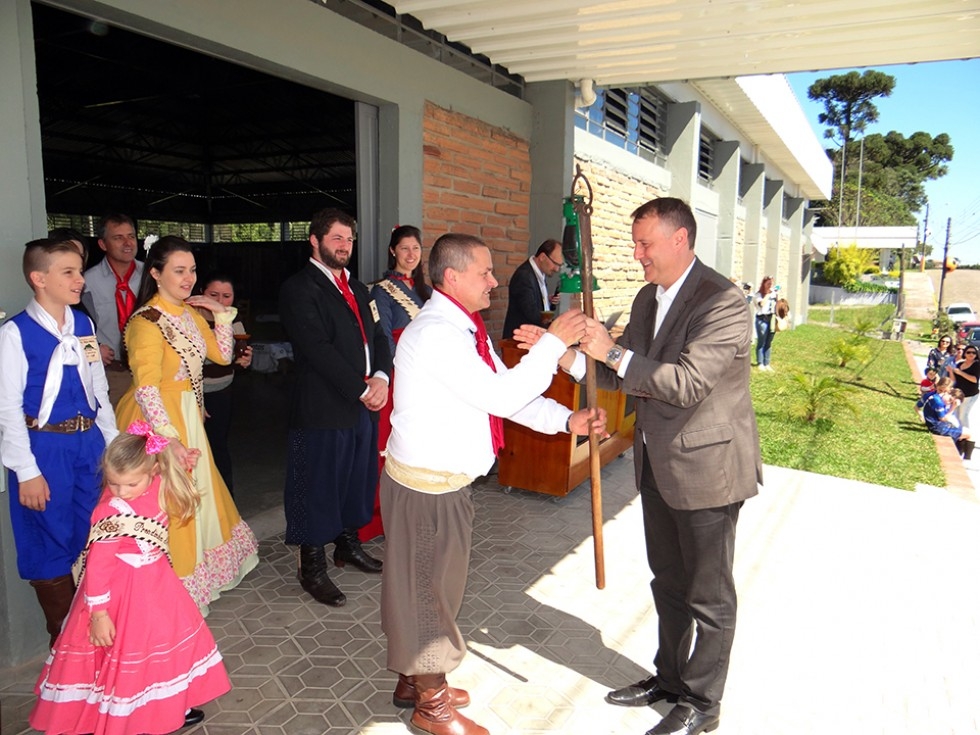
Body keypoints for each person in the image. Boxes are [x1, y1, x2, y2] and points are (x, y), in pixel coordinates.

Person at [381, 232, 607, 735]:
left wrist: (565, 421)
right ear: (452, 278)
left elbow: (505, 392)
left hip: (443, 486)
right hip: (425, 490)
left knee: (429, 588)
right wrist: (552, 346)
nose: (494, 280)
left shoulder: (465, 329)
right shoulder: (437, 334)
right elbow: (502, 395)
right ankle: (430, 705)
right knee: (426, 594)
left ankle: (413, 679)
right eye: (484, 271)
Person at [572, 197, 761, 735]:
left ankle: (703, 704)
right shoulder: (647, 297)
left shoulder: (722, 300)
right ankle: (671, 679)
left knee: (709, 594)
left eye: (645, 243)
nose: (637, 255)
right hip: (657, 464)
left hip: (708, 469)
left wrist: (611, 352)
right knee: (669, 582)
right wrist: (564, 355)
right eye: (636, 243)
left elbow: (685, 383)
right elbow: (622, 373)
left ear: (681, 239)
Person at [30, 424, 231, 735]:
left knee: (165, 644)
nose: (120, 491)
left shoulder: (159, 483)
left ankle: (171, 701)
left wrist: (182, 460)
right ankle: (124, 712)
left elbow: (172, 478)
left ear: (153, 470)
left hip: (158, 585)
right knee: (130, 652)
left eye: (129, 484)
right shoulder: (111, 511)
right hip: (122, 594)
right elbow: (97, 567)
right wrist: (98, 615)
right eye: (113, 483)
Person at [114, 236, 258, 612]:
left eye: (192, 270)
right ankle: (166, 594)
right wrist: (169, 441)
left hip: (188, 415)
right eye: (179, 271)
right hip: (157, 421)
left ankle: (196, 581)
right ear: (156, 274)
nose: (188, 278)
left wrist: (220, 312)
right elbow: (146, 388)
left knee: (195, 500)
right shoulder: (146, 321)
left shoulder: (191, 314)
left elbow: (222, 355)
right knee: (170, 504)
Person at [0, 238, 118, 649]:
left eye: (79, 271)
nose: (79, 280)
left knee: (97, 533)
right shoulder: (15, 333)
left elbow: (97, 388)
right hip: (45, 450)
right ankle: (67, 647)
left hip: (89, 443)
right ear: (39, 278)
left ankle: (100, 633)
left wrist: (112, 444)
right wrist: (26, 471)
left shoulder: (82, 325)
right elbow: (7, 408)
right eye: (68, 272)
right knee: (48, 538)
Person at [279, 207, 393, 608]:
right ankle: (311, 566)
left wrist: (381, 376)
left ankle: (347, 545)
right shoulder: (299, 288)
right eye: (336, 238)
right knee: (315, 485)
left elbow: (380, 337)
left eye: (349, 239)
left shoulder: (360, 289)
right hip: (322, 406)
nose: (345, 246)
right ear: (315, 240)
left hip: (362, 405)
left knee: (355, 480)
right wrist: (361, 389)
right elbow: (317, 349)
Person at [363, 225, 431, 541]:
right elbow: (384, 338)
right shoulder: (381, 290)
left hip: (426, 380)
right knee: (390, 448)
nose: (410, 255)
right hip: (400, 378)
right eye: (404, 248)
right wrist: (393, 376)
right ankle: (381, 517)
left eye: (415, 249)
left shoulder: (426, 290)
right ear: (393, 251)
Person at [198, 273, 253, 495]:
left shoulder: (234, 320)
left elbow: (236, 359)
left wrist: (244, 361)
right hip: (191, 393)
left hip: (221, 390)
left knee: (218, 446)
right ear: (201, 292)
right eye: (213, 295)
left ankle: (225, 500)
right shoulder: (190, 319)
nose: (219, 301)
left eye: (226, 296)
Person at [81, 214, 144, 404]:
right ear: (102, 244)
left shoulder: (153, 275)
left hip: (149, 369)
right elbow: (76, 326)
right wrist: (93, 351)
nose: (127, 243)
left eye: (131, 236)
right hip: (113, 373)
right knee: (117, 431)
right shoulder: (86, 282)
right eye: (118, 238)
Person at [501, 238, 563, 340]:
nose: (557, 269)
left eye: (559, 265)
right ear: (542, 257)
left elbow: (535, 306)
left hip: (530, 339)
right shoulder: (524, 276)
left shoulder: (538, 274)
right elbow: (531, 313)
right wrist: (556, 324)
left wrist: (548, 302)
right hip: (519, 343)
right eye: (555, 263)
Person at [949, 344, 979, 458]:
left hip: (970, 395)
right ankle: (960, 443)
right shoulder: (960, 364)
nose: (971, 354)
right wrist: (951, 371)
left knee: (963, 416)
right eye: (968, 352)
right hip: (959, 395)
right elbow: (954, 380)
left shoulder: (976, 365)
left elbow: (974, 379)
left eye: (973, 353)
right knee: (957, 417)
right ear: (965, 353)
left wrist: (960, 372)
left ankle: (968, 442)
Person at [753, 275, 777, 370]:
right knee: (761, 341)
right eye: (768, 284)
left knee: (768, 342)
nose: (770, 285)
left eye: (771, 283)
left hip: (771, 319)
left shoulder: (774, 294)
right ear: (763, 284)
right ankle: (760, 363)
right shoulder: (758, 295)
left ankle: (767, 363)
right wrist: (768, 294)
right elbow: (761, 304)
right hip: (761, 319)